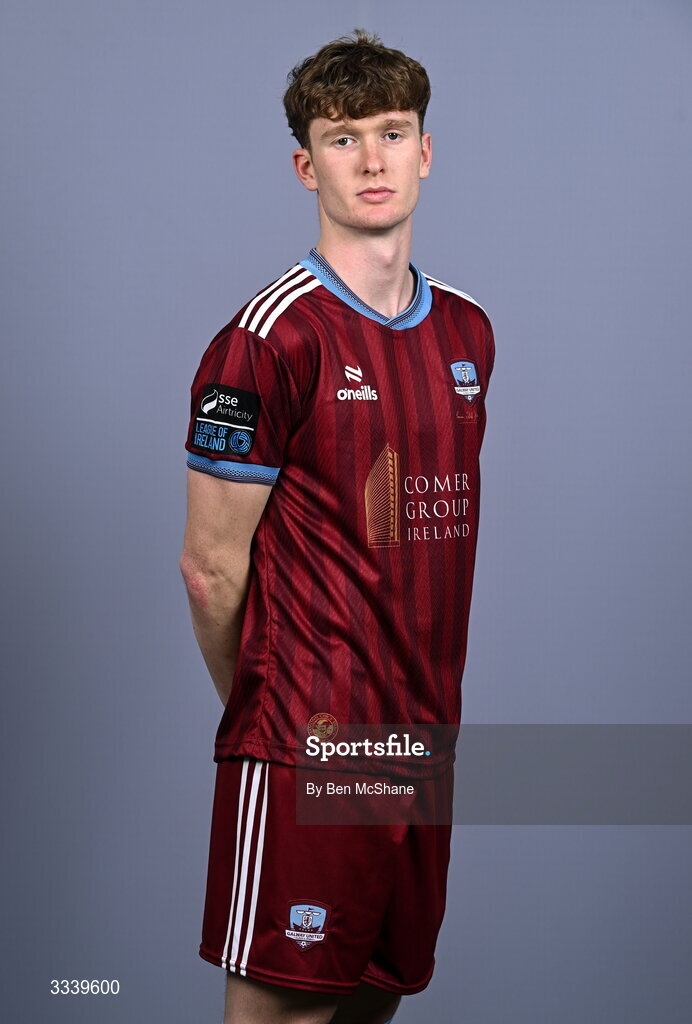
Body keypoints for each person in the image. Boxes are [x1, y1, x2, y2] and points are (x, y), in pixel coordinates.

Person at [180, 28, 495, 1024]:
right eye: (343, 136)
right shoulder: (266, 339)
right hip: (310, 740)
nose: (370, 158)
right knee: (286, 1010)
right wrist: (273, 719)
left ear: (425, 151)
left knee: (372, 999)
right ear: (304, 163)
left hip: (420, 742)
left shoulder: (467, 331)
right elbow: (210, 569)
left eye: (392, 132)